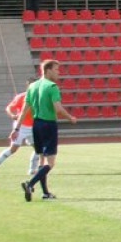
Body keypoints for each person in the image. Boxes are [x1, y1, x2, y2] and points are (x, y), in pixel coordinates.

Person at [11, 59, 78, 201]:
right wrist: (70, 118)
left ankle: (45, 193)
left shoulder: (32, 86)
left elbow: (24, 110)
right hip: (48, 125)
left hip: (36, 125)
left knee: (42, 160)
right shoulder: (52, 86)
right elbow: (58, 109)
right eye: (56, 70)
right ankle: (30, 184)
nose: (58, 73)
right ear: (48, 70)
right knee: (50, 163)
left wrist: (16, 128)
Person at [0, 79, 41, 177]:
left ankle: (32, 169)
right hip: (21, 126)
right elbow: (9, 108)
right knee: (13, 149)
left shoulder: (39, 98)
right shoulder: (21, 97)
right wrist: (12, 115)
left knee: (39, 149)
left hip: (33, 127)